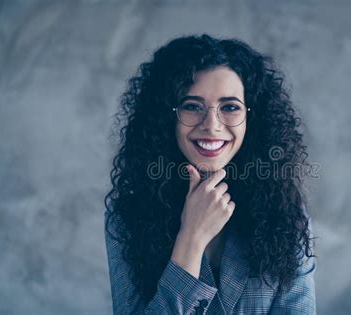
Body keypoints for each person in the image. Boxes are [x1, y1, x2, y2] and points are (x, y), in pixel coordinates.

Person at [104, 34, 317, 315]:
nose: (212, 125)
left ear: (251, 118)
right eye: (192, 106)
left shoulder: (286, 214)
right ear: (166, 116)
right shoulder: (127, 217)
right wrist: (191, 237)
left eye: (230, 107)